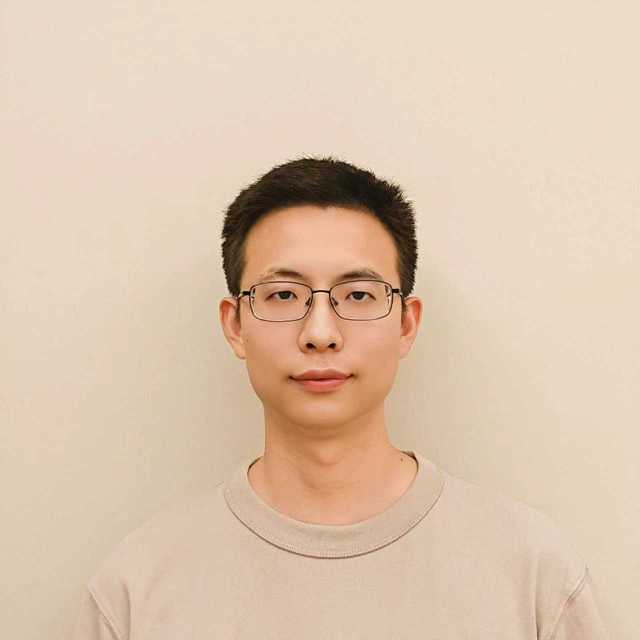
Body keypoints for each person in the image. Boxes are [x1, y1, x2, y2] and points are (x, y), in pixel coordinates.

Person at [72, 157, 609, 639]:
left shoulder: (532, 575)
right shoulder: (137, 589)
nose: (320, 332)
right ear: (235, 325)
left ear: (406, 324)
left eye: (358, 294)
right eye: (284, 294)